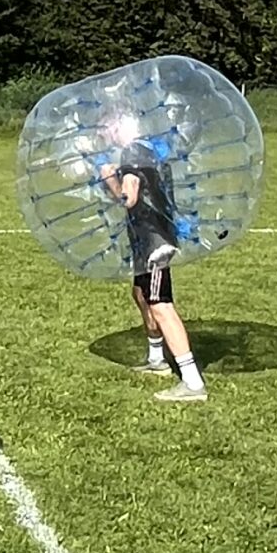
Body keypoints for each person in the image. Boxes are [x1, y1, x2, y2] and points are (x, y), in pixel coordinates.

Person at [97, 138, 207, 402]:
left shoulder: (133, 155)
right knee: (140, 293)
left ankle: (193, 382)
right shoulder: (147, 151)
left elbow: (129, 198)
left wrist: (110, 178)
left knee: (160, 304)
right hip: (146, 239)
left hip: (155, 244)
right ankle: (157, 359)